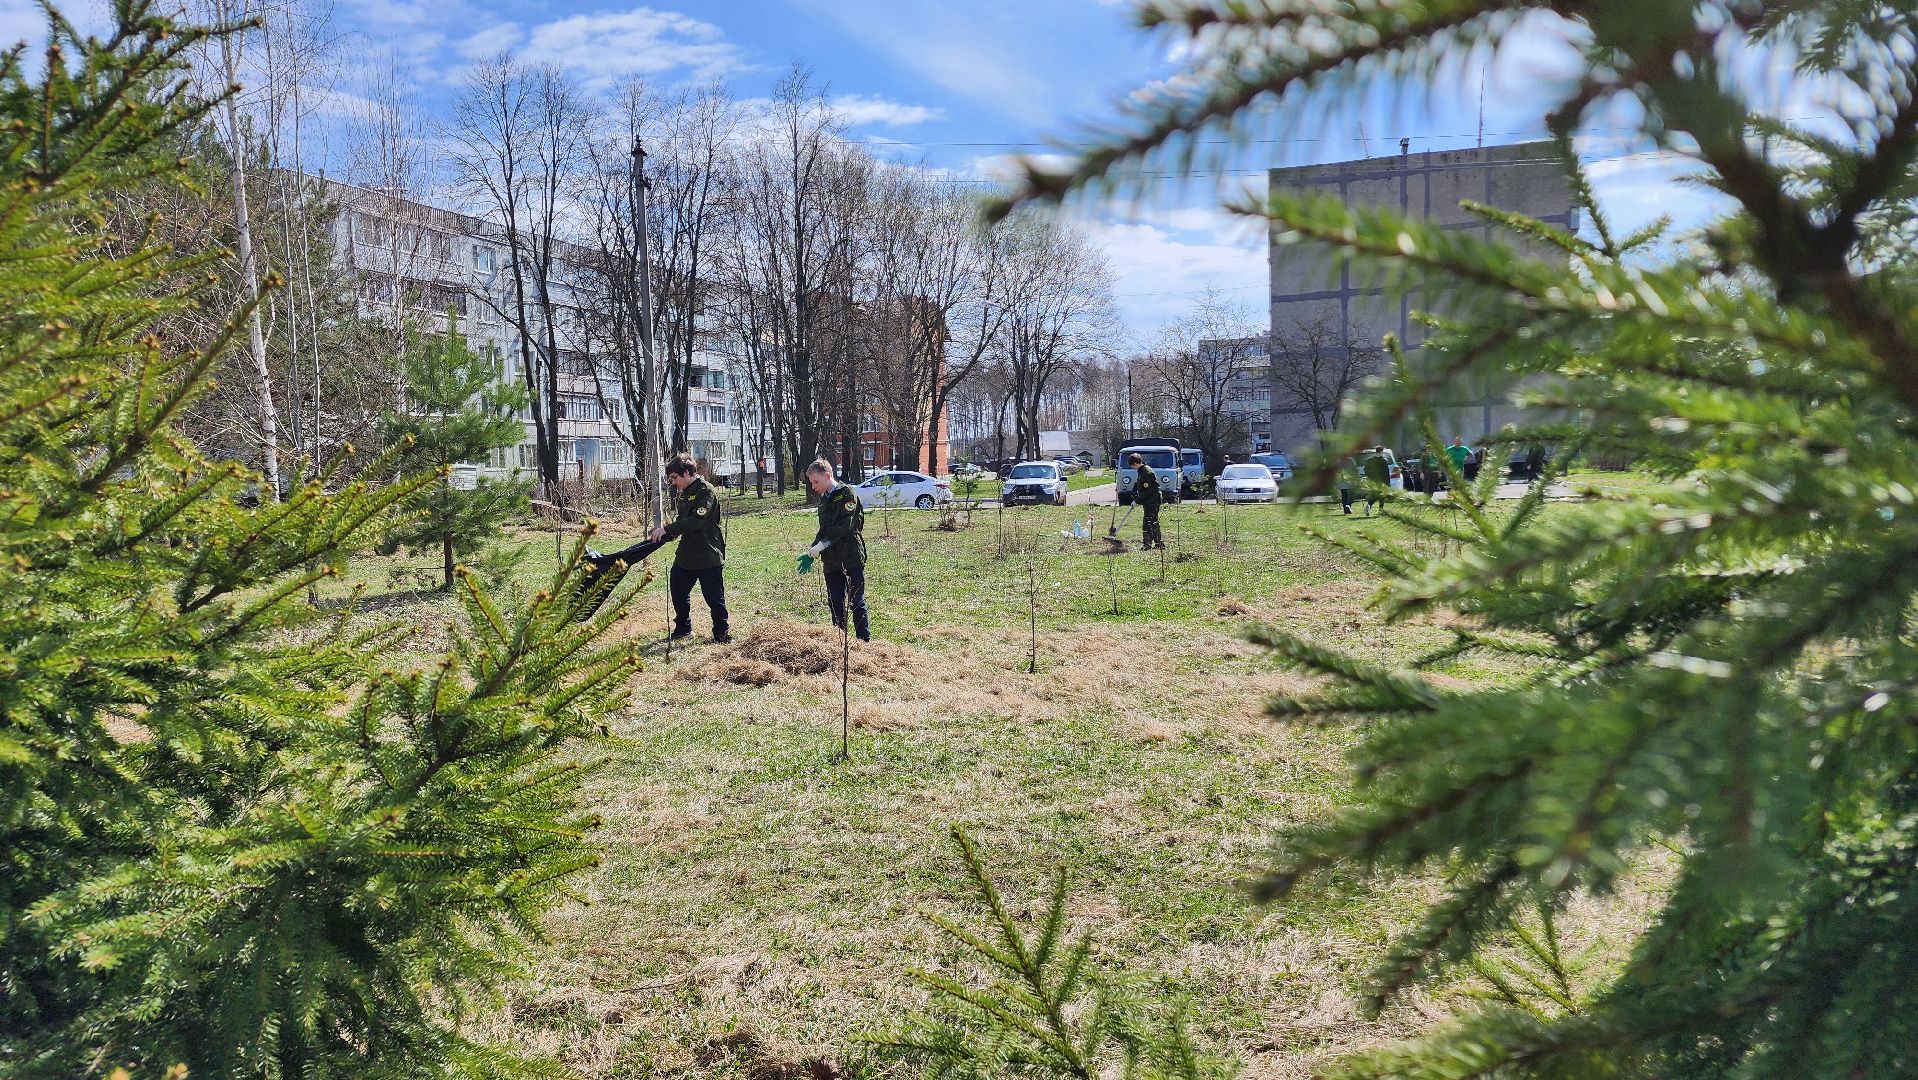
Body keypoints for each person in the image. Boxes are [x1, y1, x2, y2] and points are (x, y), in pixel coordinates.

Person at [648, 452, 730, 643]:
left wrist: (667, 528)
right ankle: (683, 629)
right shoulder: (685, 493)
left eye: (675, 478)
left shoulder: (705, 491)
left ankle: (722, 633)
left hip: (708, 554)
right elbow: (683, 521)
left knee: (714, 597)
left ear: (686, 472)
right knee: (677, 587)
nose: (674, 482)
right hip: (687, 554)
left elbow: (696, 520)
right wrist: (669, 533)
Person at [797, 459, 870, 642]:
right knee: (835, 603)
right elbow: (824, 530)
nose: (813, 487)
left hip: (851, 556)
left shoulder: (846, 494)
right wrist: (813, 550)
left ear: (827, 476)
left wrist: (823, 545)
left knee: (856, 602)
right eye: (811, 482)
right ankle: (840, 641)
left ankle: (864, 642)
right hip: (831, 561)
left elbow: (845, 525)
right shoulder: (824, 501)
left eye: (816, 481)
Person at [1131, 452, 1165, 549]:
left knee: (1149, 522)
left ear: (1135, 463)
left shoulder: (1146, 472)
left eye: (1132, 465)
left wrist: (1137, 500)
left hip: (1152, 500)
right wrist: (1134, 491)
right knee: (1152, 521)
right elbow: (1140, 485)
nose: (1132, 468)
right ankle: (1157, 544)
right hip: (1149, 499)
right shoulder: (1142, 470)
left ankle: (1148, 545)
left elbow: (1148, 490)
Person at [1360, 447, 1390, 516]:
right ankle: (1380, 510)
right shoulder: (1383, 461)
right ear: (1381, 452)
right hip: (1382, 481)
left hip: (1373, 481)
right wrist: (1388, 483)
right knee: (1382, 496)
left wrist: (1370, 477)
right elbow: (1386, 473)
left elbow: (1366, 470)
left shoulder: (1370, 460)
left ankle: (1369, 506)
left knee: (1375, 494)